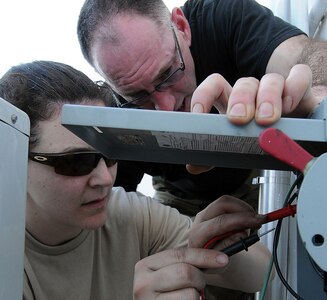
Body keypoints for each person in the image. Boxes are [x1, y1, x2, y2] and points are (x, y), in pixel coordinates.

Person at [0, 60, 271, 299]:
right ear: (12, 158)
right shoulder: (10, 255)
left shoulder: (127, 214)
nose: (105, 179)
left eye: (109, 154)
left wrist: (220, 250)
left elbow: (263, 273)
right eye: (76, 162)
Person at [76, 0, 326, 218]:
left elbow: (305, 56)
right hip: (177, 199)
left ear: (182, 27)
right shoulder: (113, 111)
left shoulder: (223, 18)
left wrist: (312, 98)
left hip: (253, 180)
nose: (166, 109)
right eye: (138, 95)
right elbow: (108, 210)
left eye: (168, 73)